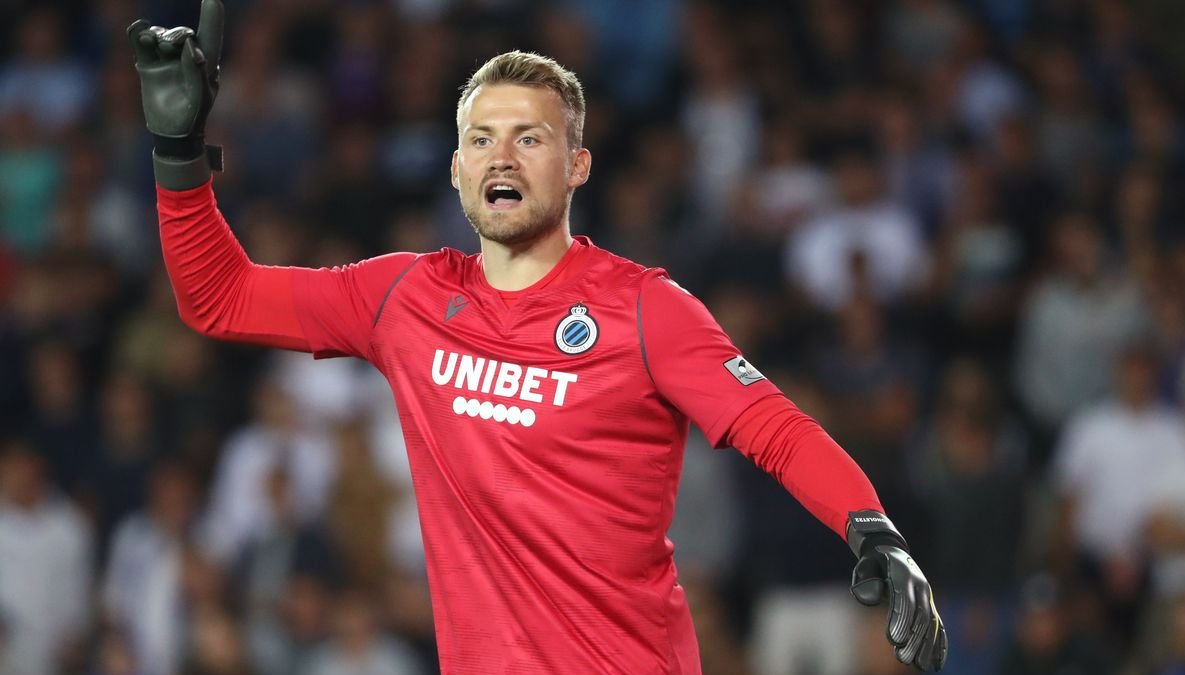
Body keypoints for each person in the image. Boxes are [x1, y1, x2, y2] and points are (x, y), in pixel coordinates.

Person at [127, 2, 948, 672]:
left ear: (577, 165)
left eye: (530, 137)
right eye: (481, 139)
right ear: (457, 170)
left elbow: (775, 427)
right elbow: (220, 297)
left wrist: (870, 527)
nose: (503, 156)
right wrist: (178, 154)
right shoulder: (405, 298)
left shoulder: (645, 309)